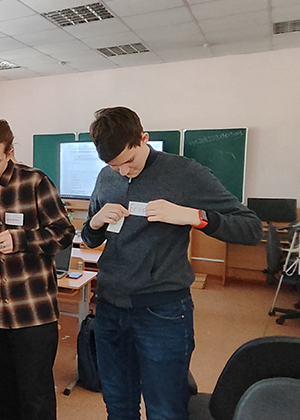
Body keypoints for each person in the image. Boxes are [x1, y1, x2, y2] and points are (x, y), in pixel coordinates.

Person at [82, 107, 262, 420]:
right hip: (110, 308)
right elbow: (91, 237)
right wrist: (95, 223)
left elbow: (250, 228)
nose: (123, 172)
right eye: (114, 165)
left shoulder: (184, 173)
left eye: (129, 161)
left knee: (165, 410)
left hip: (161, 312)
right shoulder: (106, 176)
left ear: (143, 139)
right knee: (118, 406)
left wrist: (194, 216)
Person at [0, 119, 74, 420]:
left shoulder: (35, 182)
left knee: (35, 398)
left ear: (10, 154)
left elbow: (64, 233)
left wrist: (20, 240)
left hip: (33, 311)